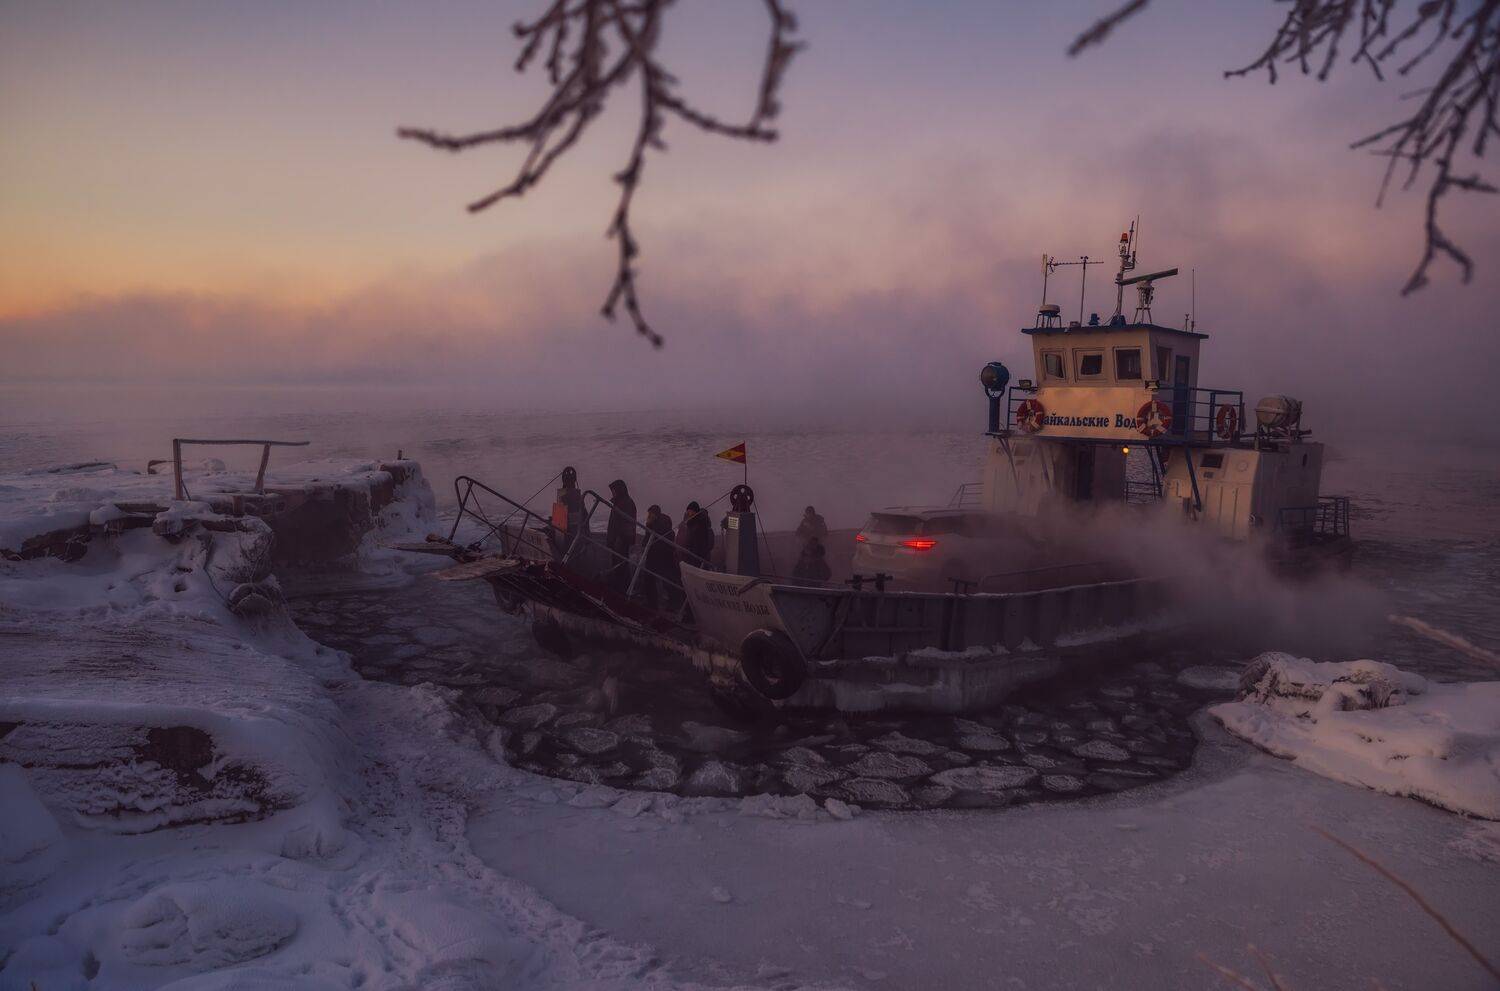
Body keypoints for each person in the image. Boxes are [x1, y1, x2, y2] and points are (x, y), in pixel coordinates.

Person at [639, 504, 678, 611]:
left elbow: (657, 539)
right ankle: (654, 604)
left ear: (655, 514)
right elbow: (647, 539)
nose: (649, 515)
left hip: (661, 557)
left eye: (650, 513)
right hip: (656, 556)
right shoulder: (653, 524)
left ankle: (669, 604)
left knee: (665, 581)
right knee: (652, 579)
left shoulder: (660, 525)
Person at [605, 479, 637, 591]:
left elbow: (627, 524)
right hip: (617, 540)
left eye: (614, 490)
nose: (612, 493)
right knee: (618, 564)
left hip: (621, 540)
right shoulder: (619, 502)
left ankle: (623, 589)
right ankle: (620, 587)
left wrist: (621, 538)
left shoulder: (626, 503)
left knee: (621, 565)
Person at [678, 501, 715, 569]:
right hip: (692, 557)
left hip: (697, 559)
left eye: (690, 511)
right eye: (687, 511)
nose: (688, 513)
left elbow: (701, 544)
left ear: (695, 512)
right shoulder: (692, 524)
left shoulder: (700, 525)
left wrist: (691, 553)